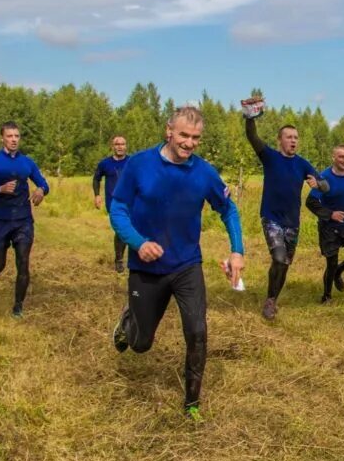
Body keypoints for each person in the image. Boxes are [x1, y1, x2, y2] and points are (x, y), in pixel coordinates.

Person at [109, 106, 245, 420]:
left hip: (186, 265)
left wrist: (237, 250)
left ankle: (191, 403)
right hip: (146, 268)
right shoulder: (139, 164)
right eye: (184, 135)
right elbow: (118, 210)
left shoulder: (204, 172)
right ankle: (129, 320)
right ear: (169, 131)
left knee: (197, 331)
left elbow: (229, 210)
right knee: (141, 345)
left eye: (196, 137)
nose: (189, 142)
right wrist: (138, 243)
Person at [244, 108, 327, 320]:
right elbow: (252, 137)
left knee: (285, 264)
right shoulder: (270, 157)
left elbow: (326, 186)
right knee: (279, 259)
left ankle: (273, 297)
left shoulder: (302, 163)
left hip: (293, 223)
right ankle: (270, 301)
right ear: (279, 140)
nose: (293, 141)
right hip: (271, 218)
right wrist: (250, 118)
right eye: (289, 137)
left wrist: (318, 183)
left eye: (296, 138)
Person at [0, 121, 50, 318]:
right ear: (2, 138)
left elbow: (43, 183)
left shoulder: (27, 162)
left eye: (17, 136)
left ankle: (18, 306)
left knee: (23, 261)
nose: (14, 140)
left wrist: (41, 190)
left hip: (23, 220)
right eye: (10, 136)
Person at [305, 144, 344, 304]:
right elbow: (310, 202)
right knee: (331, 264)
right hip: (329, 229)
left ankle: (339, 272)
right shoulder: (324, 178)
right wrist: (331, 214)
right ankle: (327, 296)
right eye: (341, 157)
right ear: (333, 157)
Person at [92, 135, 129, 272]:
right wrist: (97, 195)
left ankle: (130, 258)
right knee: (121, 229)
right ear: (112, 147)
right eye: (117, 144)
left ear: (126, 146)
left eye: (122, 144)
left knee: (129, 229)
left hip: (131, 202)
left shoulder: (131, 162)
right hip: (113, 203)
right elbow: (96, 179)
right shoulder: (105, 163)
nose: (120, 147)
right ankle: (119, 259)